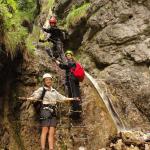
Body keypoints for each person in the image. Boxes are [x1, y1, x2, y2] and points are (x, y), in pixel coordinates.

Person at [19, 73, 79, 150]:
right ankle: (43, 148)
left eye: (49, 79)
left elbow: (62, 98)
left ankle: (51, 148)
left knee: (52, 132)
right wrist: (27, 99)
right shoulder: (41, 89)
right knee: (45, 130)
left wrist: (73, 99)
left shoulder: (54, 91)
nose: (48, 81)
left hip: (53, 111)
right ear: (44, 81)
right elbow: (35, 97)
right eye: (46, 80)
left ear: (51, 80)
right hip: (45, 110)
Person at [55, 50, 82, 120]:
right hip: (74, 80)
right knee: (76, 93)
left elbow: (65, 66)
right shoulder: (74, 63)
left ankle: (75, 110)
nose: (67, 57)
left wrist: (58, 63)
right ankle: (78, 110)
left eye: (69, 55)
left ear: (71, 56)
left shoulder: (71, 62)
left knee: (73, 94)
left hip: (71, 79)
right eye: (67, 55)